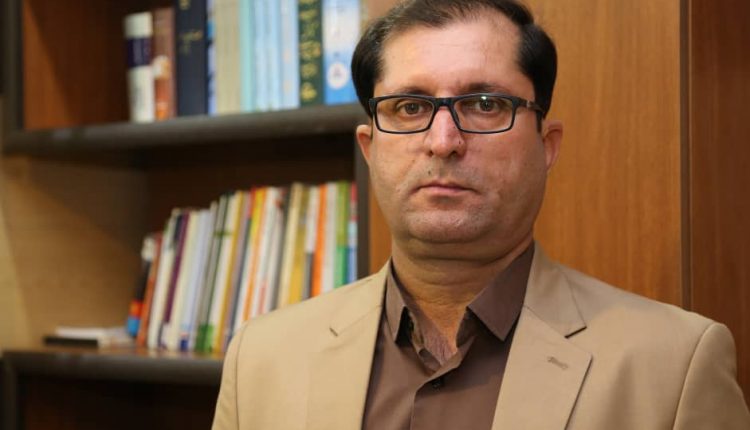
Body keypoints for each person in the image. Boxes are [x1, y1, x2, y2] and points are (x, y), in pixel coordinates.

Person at [212, 0, 750, 428]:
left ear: (546, 145)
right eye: (410, 107)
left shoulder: (674, 367)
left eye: (485, 104)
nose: (443, 141)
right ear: (370, 149)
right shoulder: (262, 359)